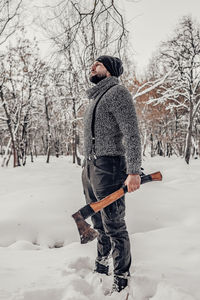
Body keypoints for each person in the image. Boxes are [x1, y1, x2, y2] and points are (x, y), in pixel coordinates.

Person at [82, 55, 142, 293]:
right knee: (97, 221)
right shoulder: (96, 98)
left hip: (110, 166)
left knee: (114, 224)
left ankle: (121, 279)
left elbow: (132, 133)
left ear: (110, 70)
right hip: (90, 168)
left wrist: (134, 170)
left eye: (98, 64)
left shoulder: (117, 92)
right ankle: (101, 266)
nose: (92, 66)